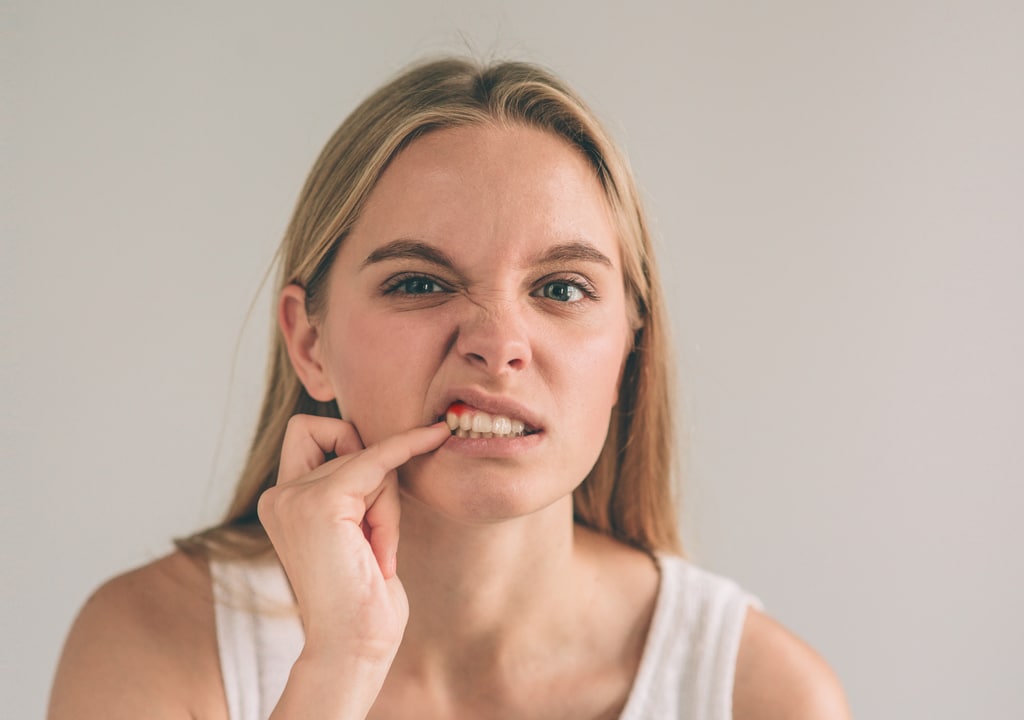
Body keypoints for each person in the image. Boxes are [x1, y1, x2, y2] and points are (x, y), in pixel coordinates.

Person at [49, 57, 849, 719]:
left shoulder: (764, 696)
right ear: (309, 341)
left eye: (563, 289)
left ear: (630, 352)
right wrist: (340, 664)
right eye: (420, 283)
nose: (498, 346)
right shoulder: (151, 644)